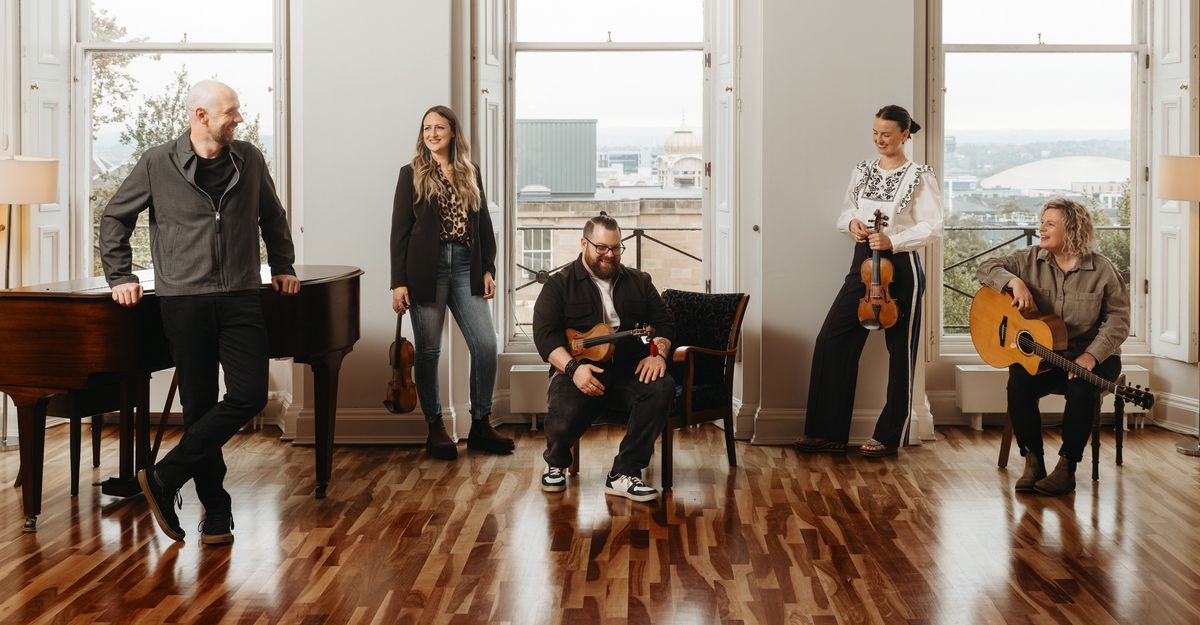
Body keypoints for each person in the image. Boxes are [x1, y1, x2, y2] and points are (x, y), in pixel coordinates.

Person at [100, 80, 299, 545]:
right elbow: (115, 218)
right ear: (200, 115)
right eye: (230, 112)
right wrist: (120, 276)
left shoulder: (249, 158)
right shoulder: (157, 162)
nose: (239, 119)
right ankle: (215, 506)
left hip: (241, 295)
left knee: (249, 395)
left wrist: (283, 266)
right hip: (183, 300)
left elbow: (273, 217)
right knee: (200, 405)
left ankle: (165, 475)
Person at [794, 105, 944, 458]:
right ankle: (825, 432)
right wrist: (852, 224)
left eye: (887, 134)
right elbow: (847, 209)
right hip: (862, 263)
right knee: (832, 339)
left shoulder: (919, 175)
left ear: (906, 134)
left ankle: (890, 435)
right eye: (875, 133)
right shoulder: (862, 170)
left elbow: (933, 225)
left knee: (900, 353)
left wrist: (894, 240)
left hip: (901, 267)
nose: (880, 140)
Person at [976, 197, 1130, 496]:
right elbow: (985, 268)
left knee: (1082, 388)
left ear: (1071, 229)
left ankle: (1067, 468)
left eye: (1049, 223)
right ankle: (1033, 461)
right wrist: (1013, 283)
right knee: (1019, 380)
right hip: (1046, 356)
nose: (1041, 229)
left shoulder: (1102, 270)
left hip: (1096, 356)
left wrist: (1090, 355)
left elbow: (1119, 322)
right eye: (1041, 221)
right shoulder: (1028, 259)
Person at [390, 105, 512, 460]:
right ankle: (435, 428)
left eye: (439, 127)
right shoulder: (410, 174)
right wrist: (399, 282)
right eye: (427, 127)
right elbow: (399, 232)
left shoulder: (469, 172)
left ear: (453, 132)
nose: (432, 134)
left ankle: (481, 424)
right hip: (426, 270)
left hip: (464, 265)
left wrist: (487, 268)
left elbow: (483, 224)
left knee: (486, 345)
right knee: (428, 351)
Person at [532, 214, 675, 502]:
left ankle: (624, 472)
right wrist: (573, 369)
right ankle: (556, 462)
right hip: (578, 369)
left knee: (662, 386)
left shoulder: (639, 281)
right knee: (562, 414)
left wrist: (657, 355)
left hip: (628, 370)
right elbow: (545, 337)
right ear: (584, 243)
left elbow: (665, 323)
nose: (609, 255)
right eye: (601, 248)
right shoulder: (559, 285)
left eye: (616, 248)